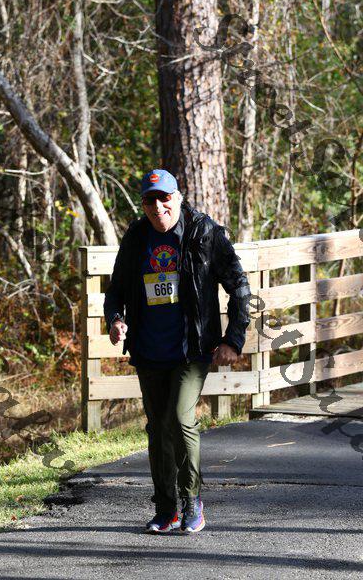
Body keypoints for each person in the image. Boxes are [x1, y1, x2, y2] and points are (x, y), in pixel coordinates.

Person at [104, 169, 251, 534]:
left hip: (192, 348)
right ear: (143, 204)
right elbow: (116, 289)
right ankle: (165, 508)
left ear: (178, 198)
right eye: (150, 200)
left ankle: (192, 501)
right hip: (149, 349)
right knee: (157, 428)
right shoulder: (137, 237)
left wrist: (233, 339)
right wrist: (116, 320)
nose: (158, 207)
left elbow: (239, 286)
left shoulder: (204, 232)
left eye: (164, 198)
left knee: (180, 419)